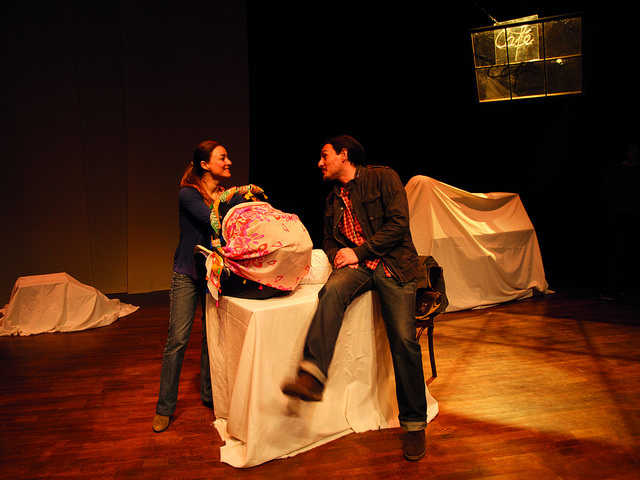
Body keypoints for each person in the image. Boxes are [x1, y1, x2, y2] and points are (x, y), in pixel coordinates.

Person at [281, 134, 428, 461]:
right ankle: (313, 376)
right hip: (359, 267)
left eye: (325, 155)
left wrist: (359, 252)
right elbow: (330, 239)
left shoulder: (383, 178)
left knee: (403, 340)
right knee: (331, 291)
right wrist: (337, 255)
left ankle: (415, 424)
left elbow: (398, 225)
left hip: (392, 263)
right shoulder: (332, 199)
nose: (320, 163)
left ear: (344, 155)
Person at [152, 139, 231, 433]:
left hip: (212, 275)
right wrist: (231, 204)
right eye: (222, 157)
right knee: (178, 340)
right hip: (187, 274)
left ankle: (210, 395)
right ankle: (164, 408)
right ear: (205, 164)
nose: (228, 162)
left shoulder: (224, 195)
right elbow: (212, 220)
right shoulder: (188, 194)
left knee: (211, 338)